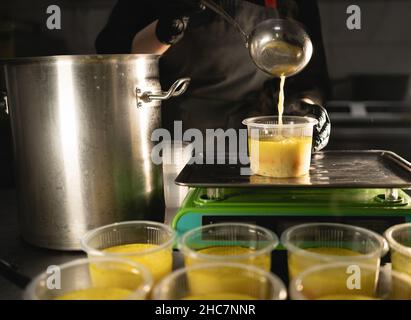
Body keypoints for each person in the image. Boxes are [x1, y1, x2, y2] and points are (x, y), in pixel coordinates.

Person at [96, 0, 330, 151]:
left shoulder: (296, 4)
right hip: (172, 148)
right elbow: (111, 53)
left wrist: (306, 112)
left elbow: (309, 79)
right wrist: (163, 30)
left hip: (257, 149)